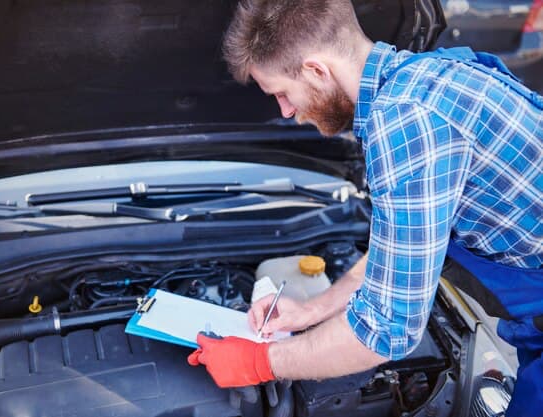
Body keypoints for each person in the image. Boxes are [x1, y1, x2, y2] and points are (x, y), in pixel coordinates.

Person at [186, 1, 543, 415]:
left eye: (282, 93)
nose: (284, 111)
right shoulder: (426, 77)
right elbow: (402, 250)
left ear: (318, 70)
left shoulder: (407, 125)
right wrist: (311, 310)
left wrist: (257, 362)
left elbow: (387, 330)